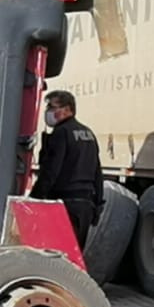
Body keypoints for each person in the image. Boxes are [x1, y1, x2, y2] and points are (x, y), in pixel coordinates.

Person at [30, 90, 105, 248]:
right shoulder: (88, 133)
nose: (48, 112)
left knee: (58, 254)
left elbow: (51, 171)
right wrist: (98, 204)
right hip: (85, 205)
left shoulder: (61, 133)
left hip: (65, 205)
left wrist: (35, 199)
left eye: (52, 107)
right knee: (75, 252)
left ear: (67, 109)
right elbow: (97, 172)